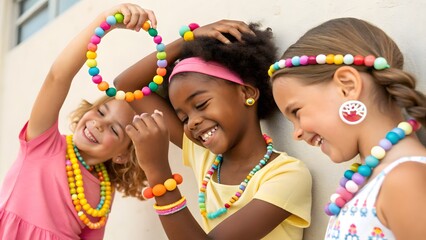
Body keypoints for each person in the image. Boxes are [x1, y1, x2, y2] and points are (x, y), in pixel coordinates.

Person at [114, 20, 312, 239]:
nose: (192, 122)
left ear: (246, 93)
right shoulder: (205, 156)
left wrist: (158, 171)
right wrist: (189, 39)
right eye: (183, 117)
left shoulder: (287, 175)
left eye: (200, 105)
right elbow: (127, 86)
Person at [0, 3, 157, 239]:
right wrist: (104, 22)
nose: (99, 124)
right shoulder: (44, 143)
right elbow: (58, 76)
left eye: (114, 130)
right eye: (101, 112)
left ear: (123, 155)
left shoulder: (104, 193)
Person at [269, 17, 426, 239]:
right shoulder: (370, 181)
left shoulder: (405, 180)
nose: (296, 133)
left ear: (348, 86)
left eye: (296, 112)